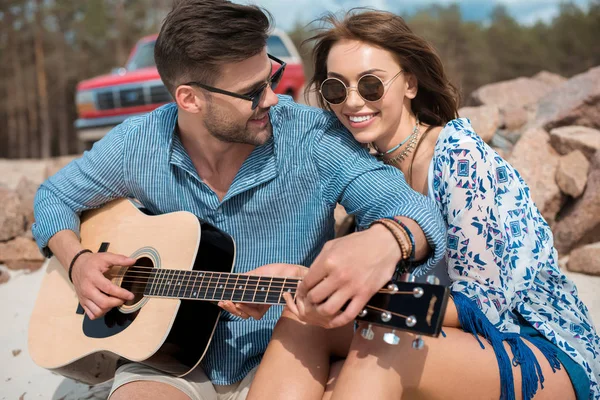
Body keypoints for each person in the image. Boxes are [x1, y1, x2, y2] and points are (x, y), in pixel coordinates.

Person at [31, 2, 447, 400]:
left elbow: (416, 212)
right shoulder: (136, 144)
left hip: (283, 354)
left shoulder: (313, 138)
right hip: (164, 359)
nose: (271, 97)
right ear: (189, 99)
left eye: (270, 77)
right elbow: (54, 197)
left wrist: (386, 241)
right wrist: (78, 261)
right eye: (251, 91)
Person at [247, 9, 600, 400]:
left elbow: (488, 305)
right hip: (440, 339)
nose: (351, 102)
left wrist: (362, 293)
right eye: (335, 89)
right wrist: (309, 283)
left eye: (370, 85)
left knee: (384, 343)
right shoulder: (369, 170)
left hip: (533, 342)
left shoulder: (457, 157)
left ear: (410, 84)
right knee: (301, 322)